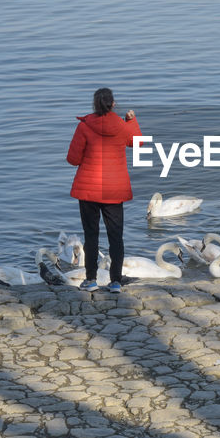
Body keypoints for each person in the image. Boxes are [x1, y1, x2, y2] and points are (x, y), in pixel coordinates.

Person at [67, 87, 141, 292]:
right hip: (114, 191)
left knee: (91, 235)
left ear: (94, 104)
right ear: (113, 104)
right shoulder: (121, 126)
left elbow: (72, 160)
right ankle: (115, 282)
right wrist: (131, 121)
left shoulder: (84, 127)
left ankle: (91, 280)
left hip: (88, 191)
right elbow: (139, 143)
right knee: (115, 236)